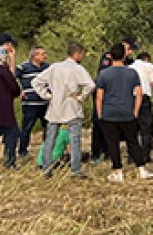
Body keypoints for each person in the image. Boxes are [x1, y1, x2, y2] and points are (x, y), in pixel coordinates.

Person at [33, 42, 96, 179]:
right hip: (71, 106)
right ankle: (76, 169)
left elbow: (36, 82)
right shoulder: (77, 68)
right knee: (74, 140)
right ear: (77, 54)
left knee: (50, 139)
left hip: (55, 107)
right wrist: (81, 97)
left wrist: (47, 95)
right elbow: (91, 85)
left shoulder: (54, 67)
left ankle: (47, 168)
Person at [95, 43, 153, 183]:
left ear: (110, 56)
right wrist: (135, 111)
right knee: (132, 141)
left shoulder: (104, 74)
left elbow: (99, 97)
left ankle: (118, 171)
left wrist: (100, 114)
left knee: (112, 143)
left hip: (109, 113)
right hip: (127, 112)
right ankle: (141, 169)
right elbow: (139, 94)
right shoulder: (131, 73)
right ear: (124, 56)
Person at [91, 37, 137, 165]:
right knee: (99, 124)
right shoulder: (109, 56)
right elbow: (104, 74)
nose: (130, 52)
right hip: (104, 93)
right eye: (129, 48)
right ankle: (96, 153)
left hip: (119, 97)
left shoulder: (129, 61)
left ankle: (109, 152)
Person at [14, 46, 51, 159]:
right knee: (27, 128)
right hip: (30, 104)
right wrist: (19, 90)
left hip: (45, 103)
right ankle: (23, 151)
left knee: (48, 128)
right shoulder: (24, 67)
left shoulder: (48, 67)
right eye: (42, 54)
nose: (45, 56)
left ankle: (47, 150)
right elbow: (11, 77)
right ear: (35, 56)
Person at [130, 51, 153, 160]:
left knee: (132, 128)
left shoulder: (130, 67)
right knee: (146, 128)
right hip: (144, 98)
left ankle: (132, 155)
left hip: (131, 98)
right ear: (147, 59)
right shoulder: (149, 66)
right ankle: (145, 155)